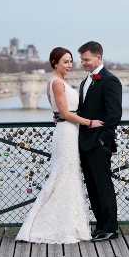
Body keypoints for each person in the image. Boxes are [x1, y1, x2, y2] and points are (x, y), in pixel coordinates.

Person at [16, 47, 103, 244]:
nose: (70, 65)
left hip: (69, 131)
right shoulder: (56, 83)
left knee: (68, 176)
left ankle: (67, 224)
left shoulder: (60, 82)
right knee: (63, 176)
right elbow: (64, 113)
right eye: (65, 61)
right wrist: (90, 122)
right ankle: (49, 226)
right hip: (67, 132)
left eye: (71, 61)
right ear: (54, 63)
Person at [76, 41, 122, 242]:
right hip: (84, 143)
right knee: (92, 187)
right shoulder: (86, 81)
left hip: (99, 144)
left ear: (99, 57)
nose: (83, 63)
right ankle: (100, 225)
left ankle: (110, 228)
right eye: (82, 59)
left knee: (103, 186)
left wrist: (103, 139)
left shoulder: (110, 81)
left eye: (86, 59)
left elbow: (114, 115)